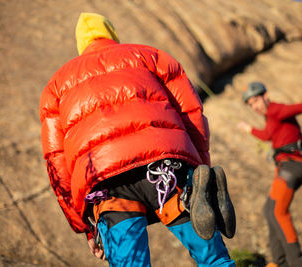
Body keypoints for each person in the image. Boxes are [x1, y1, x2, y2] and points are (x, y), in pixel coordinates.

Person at [39, 13, 236, 266]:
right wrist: (200, 169)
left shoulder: (55, 86)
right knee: (214, 260)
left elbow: (56, 162)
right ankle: (196, 202)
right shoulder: (150, 56)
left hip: (106, 189)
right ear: (112, 35)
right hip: (166, 171)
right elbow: (192, 114)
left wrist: (85, 227)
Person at [237, 82, 302, 267]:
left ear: (265, 95)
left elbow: (294, 109)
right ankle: (278, 262)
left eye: (256, 100)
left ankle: (297, 264)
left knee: (279, 212)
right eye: (251, 104)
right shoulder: (270, 118)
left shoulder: (275, 110)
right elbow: (267, 135)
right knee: (269, 209)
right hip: (285, 167)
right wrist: (248, 129)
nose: (255, 106)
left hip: (293, 166)